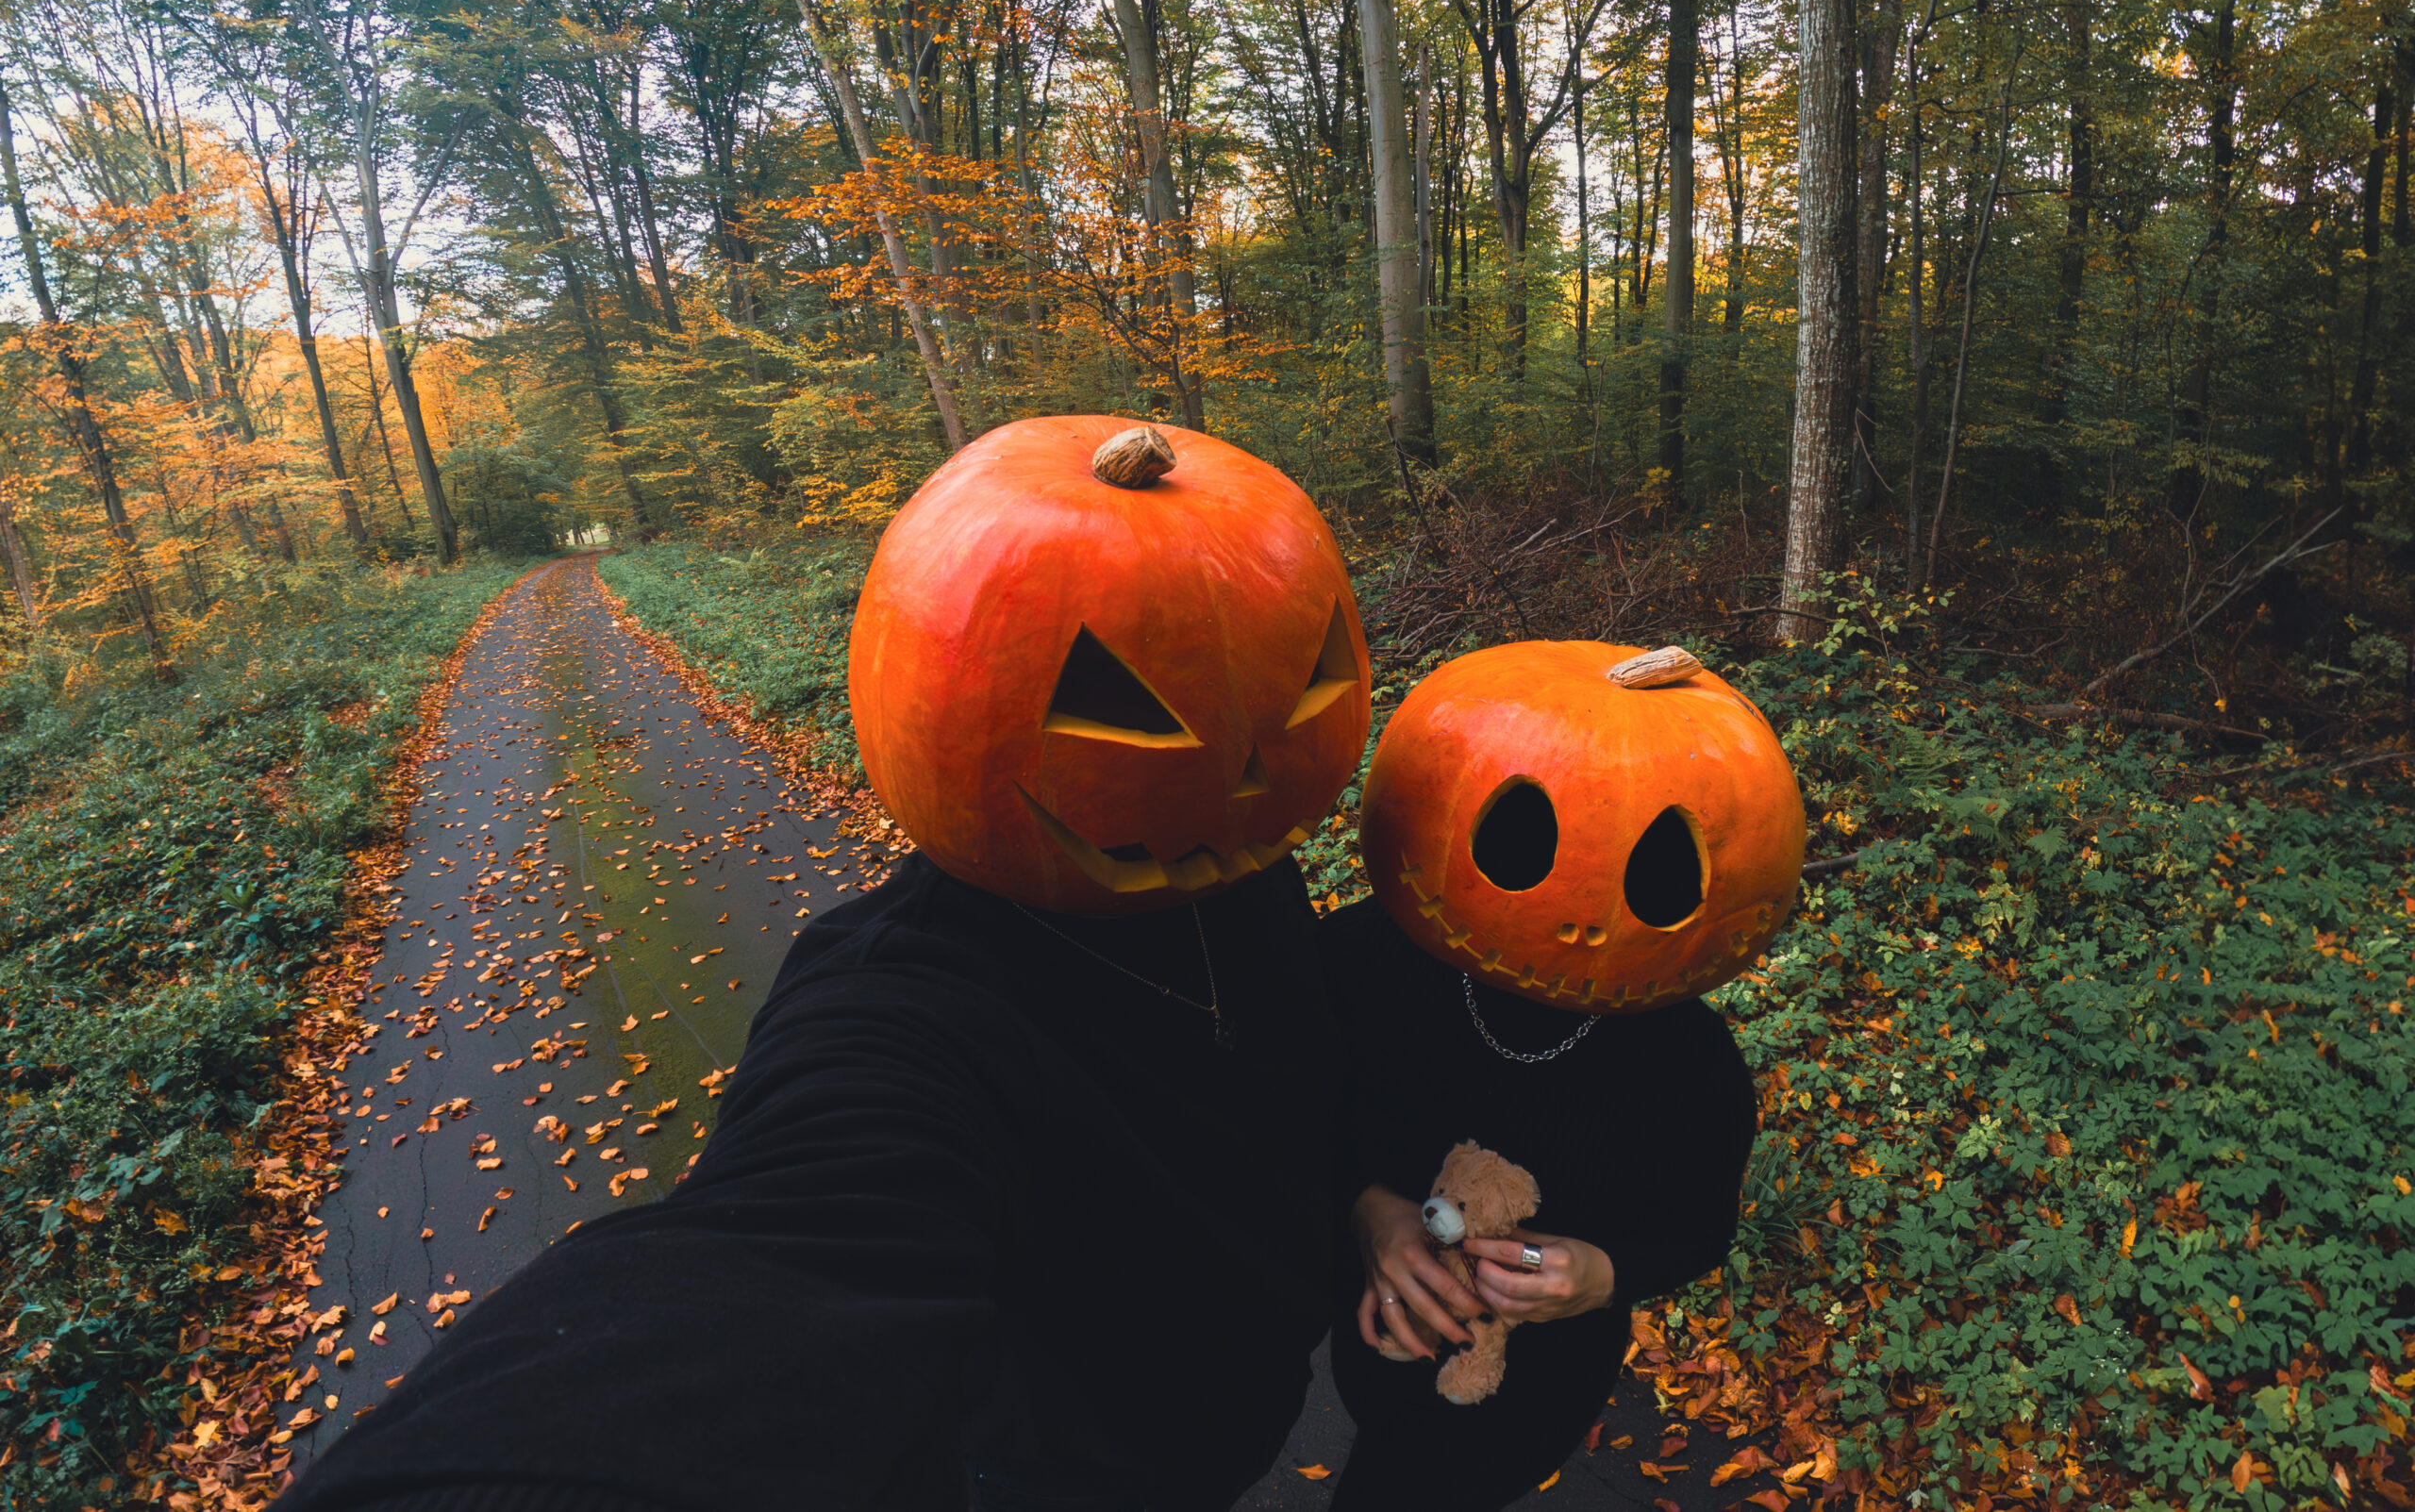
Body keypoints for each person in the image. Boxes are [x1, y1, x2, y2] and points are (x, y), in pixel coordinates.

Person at [278, 418, 1376, 1512]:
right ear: (930, 672)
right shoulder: (900, 1007)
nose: (1239, 775)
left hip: (1244, 1423)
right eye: (1118, 708)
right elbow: (786, 1254)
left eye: (1303, 683)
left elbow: (1338, 1070)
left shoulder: (1245, 875)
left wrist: (1382, 1202)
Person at [1317, 640, 1797, 1511]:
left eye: (1640, 874)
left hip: (1537, 1391)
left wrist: (1602, 1274)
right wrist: (1370, 1212)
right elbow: (1293, 1112)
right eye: (1533, 852)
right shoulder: (1366, 964)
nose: (1578, 922)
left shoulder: (1689, 1063)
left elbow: (1696, 1227)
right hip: (1370, 1336)